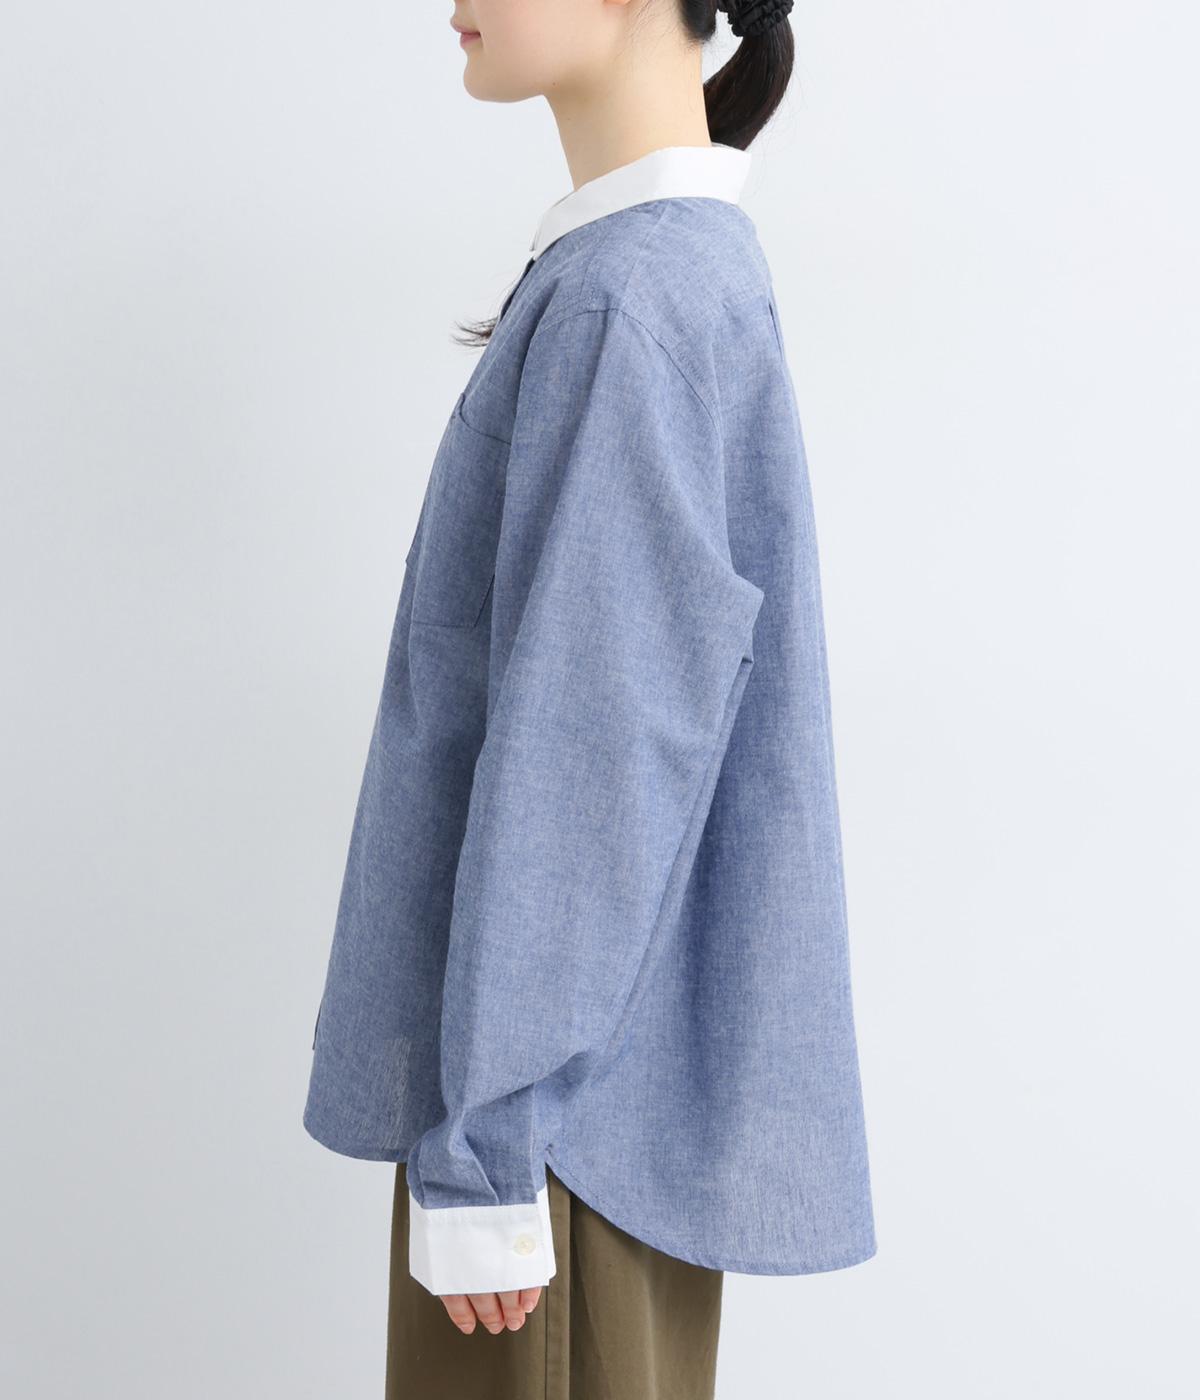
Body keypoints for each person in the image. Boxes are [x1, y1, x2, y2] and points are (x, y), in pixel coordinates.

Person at [303, 1, 877, 1395]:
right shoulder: (649, 272)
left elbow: (599, 755)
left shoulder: (632, 297)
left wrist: (488, 1150)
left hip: (554, 1141)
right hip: (574, 1118)